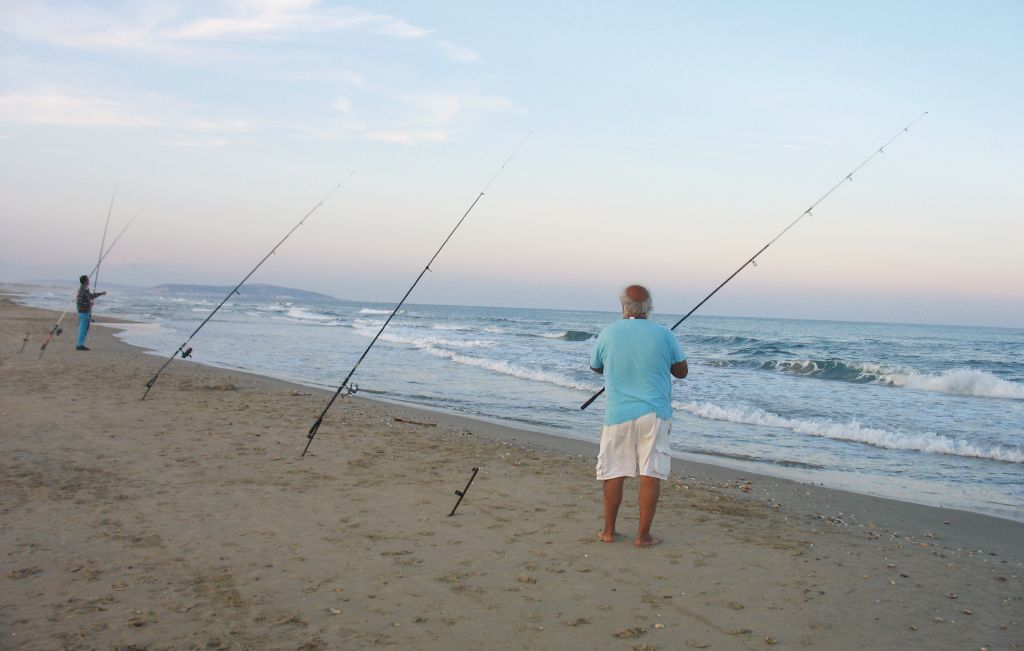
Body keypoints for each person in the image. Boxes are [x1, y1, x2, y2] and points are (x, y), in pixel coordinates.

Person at [590, 285, 688, 547]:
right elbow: (682, 372)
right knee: (650, 473)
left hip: (618, 413)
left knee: (614, 472)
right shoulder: (664, 334)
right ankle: (643, 536)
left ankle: (608, 532)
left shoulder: (608, 332)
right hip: (654, 414)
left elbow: (596, 367)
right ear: (649, 308)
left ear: (623, 306)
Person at [75, 275, 106, 351]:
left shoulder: (84, 290)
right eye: (87, 279)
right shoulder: (82, 290)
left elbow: (91, 296)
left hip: (84, 312)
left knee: (84, 329)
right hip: (83, 312)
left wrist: (101, 293)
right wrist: (89, 305)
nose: (89, 280)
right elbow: (79, 302)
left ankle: (80, 344)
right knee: (83, 329)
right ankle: (79, 345)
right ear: (85, 281)